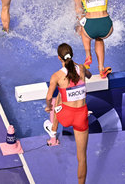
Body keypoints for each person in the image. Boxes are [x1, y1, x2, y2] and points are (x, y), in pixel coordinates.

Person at [29, 0, 122, 78]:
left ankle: (88, 54)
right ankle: (101, 68)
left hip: (90, 28)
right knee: (99, 39)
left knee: (83, 27)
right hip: (107, 26)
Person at [43, 43, 91, 184]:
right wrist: (82, 69)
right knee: (82, 157)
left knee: (58, 97)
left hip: (65, 116)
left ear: (59, 58)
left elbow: (48, 97)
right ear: (72, 55)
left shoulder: (56, 76)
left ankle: (53, 130)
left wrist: (48, 108)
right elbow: (89, 75)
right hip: (81, 116)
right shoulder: (81, 68)